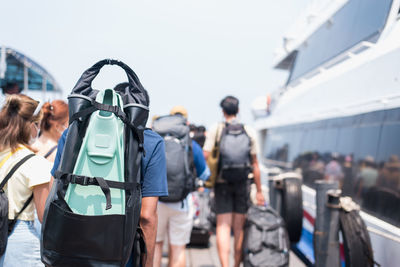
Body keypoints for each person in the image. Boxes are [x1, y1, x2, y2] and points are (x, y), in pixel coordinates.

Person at [51, 84, 168, 267]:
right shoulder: (152, 143)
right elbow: (146, 216)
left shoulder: (73, 134)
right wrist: (149, 261)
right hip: (118, 253)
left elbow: (52, 197)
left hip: (70, 247)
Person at [203, 95, 264, 267]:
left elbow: (205, 155)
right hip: (243, 183)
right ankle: (237, 264)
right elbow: (255, 164)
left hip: (222, 183)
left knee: (222, 226)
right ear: (238, 110)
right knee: (239, 228)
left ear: (223, 111)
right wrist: (259, 191)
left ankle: (224, 265)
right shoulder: (249, 131)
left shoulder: (217, 129)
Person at [153, 106, 210, 267]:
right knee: (178, 249)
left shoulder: (157, 138)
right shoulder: (191, 144)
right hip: (182, 202)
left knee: (155, 246)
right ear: (186, 121)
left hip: (157, 201)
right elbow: (205, 174)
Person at [0, 94, 52, 266]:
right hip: (19, 238)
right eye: (37, 125)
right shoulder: (36, 163)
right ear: (30, 126)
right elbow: (44, 215)